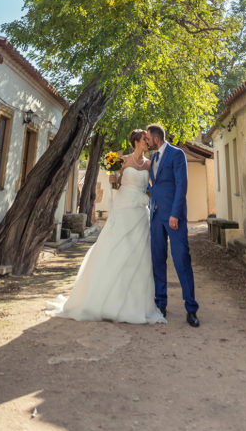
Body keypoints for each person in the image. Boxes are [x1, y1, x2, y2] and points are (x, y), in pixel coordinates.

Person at [47, 129, 165, 324]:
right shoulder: (122, 161)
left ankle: (134, 303)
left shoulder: (149, 164)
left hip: (139, 212)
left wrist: (153, 199)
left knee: (138, 255)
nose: (148, 143)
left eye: (148, 140)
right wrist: (114, 180)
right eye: (144, 140)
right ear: (135, 141)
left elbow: (154, 187)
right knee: (115, 249)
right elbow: (117, 184)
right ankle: (104, 299)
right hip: (123, 209)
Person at [146, 122, 200, 327]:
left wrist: (175, 214)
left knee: (181, 261)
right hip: (156, 216)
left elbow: (181, 186)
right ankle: (161, 304)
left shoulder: (177, 154)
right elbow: (156, 186)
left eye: (149, 139)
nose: (147, 142)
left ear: (157, 138)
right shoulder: (152, 158)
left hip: (174, 217)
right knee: (158, 261)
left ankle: (191, 309)